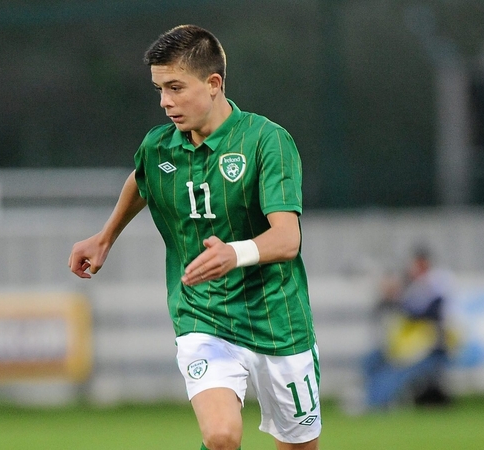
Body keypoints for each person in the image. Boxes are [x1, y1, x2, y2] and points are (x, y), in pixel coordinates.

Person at [68, 25, 321, 450]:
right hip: (204, 316)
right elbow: (142, 179)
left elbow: (287, 240)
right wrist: (105, 236)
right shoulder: (159, 148)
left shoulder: (267, 142)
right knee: (221, 436)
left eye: (175, 87)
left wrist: (234, 254)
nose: (166, 102)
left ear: (214, 84)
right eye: (159, 89)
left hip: (280, 321)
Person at [361, 247, 452, 409]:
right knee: (370, 361)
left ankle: (376, 404)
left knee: (393, 375)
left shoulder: (436, 283)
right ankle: (367, 398)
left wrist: (401, 303)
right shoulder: (410, 286)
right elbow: (384, 308)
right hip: (404, 347)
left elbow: (428, 312)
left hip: (428, 347)